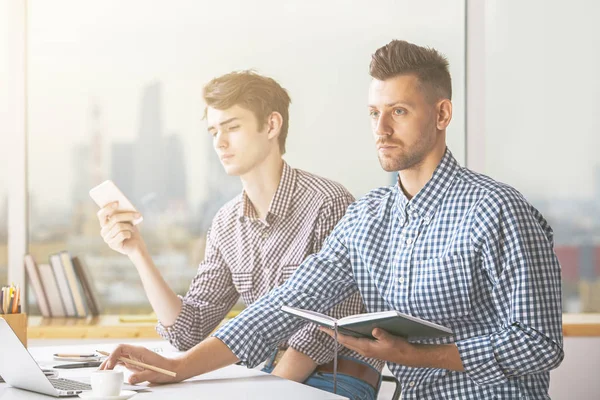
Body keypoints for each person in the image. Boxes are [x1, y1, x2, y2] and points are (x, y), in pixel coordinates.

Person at [101, 40, 564, 399]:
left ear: (442, 114)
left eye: (398, 112)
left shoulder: (498, 210)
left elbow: (540, 345)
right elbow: (282, 305)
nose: (381, 130)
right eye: (373, 113)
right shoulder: (368, 218)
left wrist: (416, 355)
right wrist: (178, 366)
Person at [96, 71, 383, 400]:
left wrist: (269, 388)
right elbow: (189, 329)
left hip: (335, 377)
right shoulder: (226, 223)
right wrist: (137, 252)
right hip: (267, 374)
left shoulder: (328, 202)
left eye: (232, 127)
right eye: (214, 131)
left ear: (271, 125)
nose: (220, 142)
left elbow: (327, 327)